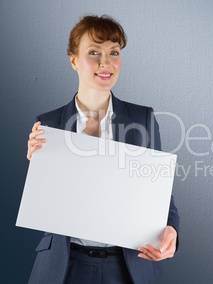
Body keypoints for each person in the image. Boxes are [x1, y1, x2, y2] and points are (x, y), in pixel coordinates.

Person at [26, 15, 180, 284]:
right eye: (93, 52)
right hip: (64, 266)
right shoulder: (48, 123)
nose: (105, 62)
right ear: (73, 60)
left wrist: (172, 231)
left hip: (126, 266)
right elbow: (48, 205)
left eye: (114, 52)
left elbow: (160, 192)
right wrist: (35, 166)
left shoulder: (141, 118)